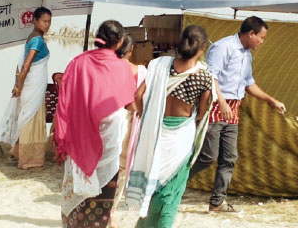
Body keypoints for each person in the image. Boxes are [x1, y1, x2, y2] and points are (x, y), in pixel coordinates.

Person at [189, 16, 286, 212]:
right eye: (261, 37)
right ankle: (172, 184)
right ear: (251, 33)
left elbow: (249, 83)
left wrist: (271, 100)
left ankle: (217, 202)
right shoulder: (222, 47)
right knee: (208, 156)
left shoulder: (247, 54)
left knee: (229, 157)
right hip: (216, 106)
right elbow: (211, 76)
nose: (262, 42)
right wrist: (222, 102)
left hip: (233, 110)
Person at [126, 25, 216, 228]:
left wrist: (143, 113)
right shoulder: (204, 77)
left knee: (153, 184)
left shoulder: (159, 66)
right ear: (202, 48)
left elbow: (138, 96)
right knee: (172, 191)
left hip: (155, 131)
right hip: (180, 139)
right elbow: (201, 115)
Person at [55, 20, 137, 228]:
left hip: (79, 143)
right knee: (100, 204)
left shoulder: (77, 63)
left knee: (75, 203)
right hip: (109, 146)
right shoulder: (122, 69)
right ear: (119, 43)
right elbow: (130, 104)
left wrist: (61, 136)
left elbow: (65, 103)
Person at [0, 6, 52, 169]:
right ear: (35, 21)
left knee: (27, 116)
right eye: (44, 21)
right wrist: (19, 86)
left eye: (49, 22)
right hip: (31, 84)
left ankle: (18, 151)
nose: (47, 25)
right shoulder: (37, 40)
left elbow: (22, 65)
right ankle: (28, 159)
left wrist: (18, 84)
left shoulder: (34, 37)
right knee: (30, 119)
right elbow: (26, 65)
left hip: (32, 84)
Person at [112, 33, 148, 209]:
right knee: (122, 165)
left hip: (108, 119)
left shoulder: (105, 69)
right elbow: (137, 101)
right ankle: (111, 206)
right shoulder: (140, 71)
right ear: (132, 49)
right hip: (128, 120)